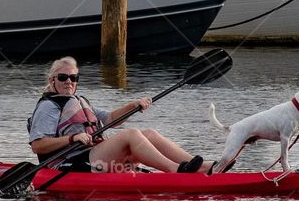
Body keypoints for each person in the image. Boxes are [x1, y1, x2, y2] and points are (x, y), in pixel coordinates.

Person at [28, 56, 210, 174]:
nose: (69, 82)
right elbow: (38, 146)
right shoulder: (48, 107)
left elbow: (110, 120)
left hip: (94, 156)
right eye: (63, 77)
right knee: (131, 134)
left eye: (73, 78)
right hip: (69, 165)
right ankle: (176, 171)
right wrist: (73, 138)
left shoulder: (79, 101)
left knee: (149, 134)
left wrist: (132, 105)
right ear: (52, 80)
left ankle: (201, 167)